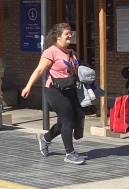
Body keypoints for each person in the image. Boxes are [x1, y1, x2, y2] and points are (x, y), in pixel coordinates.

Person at [21, 22, 86, 165]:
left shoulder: (71, 52)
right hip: (54, 90)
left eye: (70, 33)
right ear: (58, 37)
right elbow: (39, 70)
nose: (70, 36)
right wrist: (28, 86)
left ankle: (45, 138)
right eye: (67, 34)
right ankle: (69, 153)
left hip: (69, 89)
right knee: (67, 119)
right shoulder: (50, 52)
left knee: (65, 120)